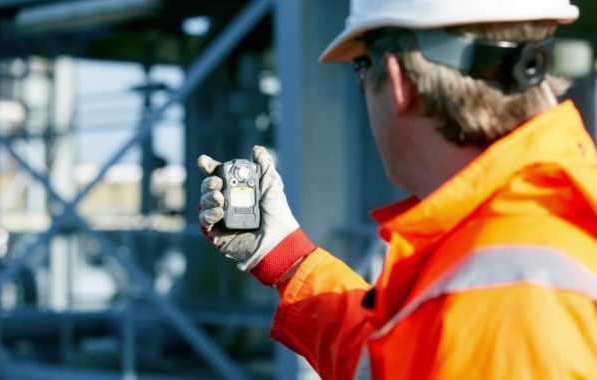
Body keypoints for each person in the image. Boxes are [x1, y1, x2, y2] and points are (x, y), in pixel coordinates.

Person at [198, 0, 597, 378]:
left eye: (360, 70)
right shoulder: (533, 234)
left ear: (396, 80)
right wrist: (284, 256)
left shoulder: (506, 293)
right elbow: (392, 362)